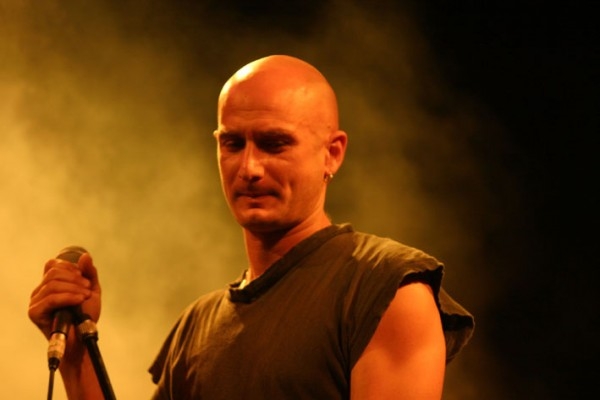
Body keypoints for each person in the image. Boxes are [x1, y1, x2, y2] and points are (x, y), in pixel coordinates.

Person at [28, 55, 474, 399]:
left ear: (332, 154)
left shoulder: (386, 289)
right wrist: (76, 354)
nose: (249, 168)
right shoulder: (197, 326)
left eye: (274, 144)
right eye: (232, 143)